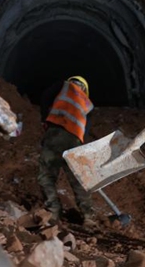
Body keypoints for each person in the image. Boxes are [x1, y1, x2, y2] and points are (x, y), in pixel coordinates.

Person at [37, 75, 95, 224]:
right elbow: (85, 130)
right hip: (74, 139)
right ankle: (88, 216)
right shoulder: (88, 104)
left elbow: (45, 97)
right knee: (77, 179)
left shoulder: (62, 86)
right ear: (85, 90)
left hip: (55, 133)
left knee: (46, 176)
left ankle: (54, 212)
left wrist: (45, 118)